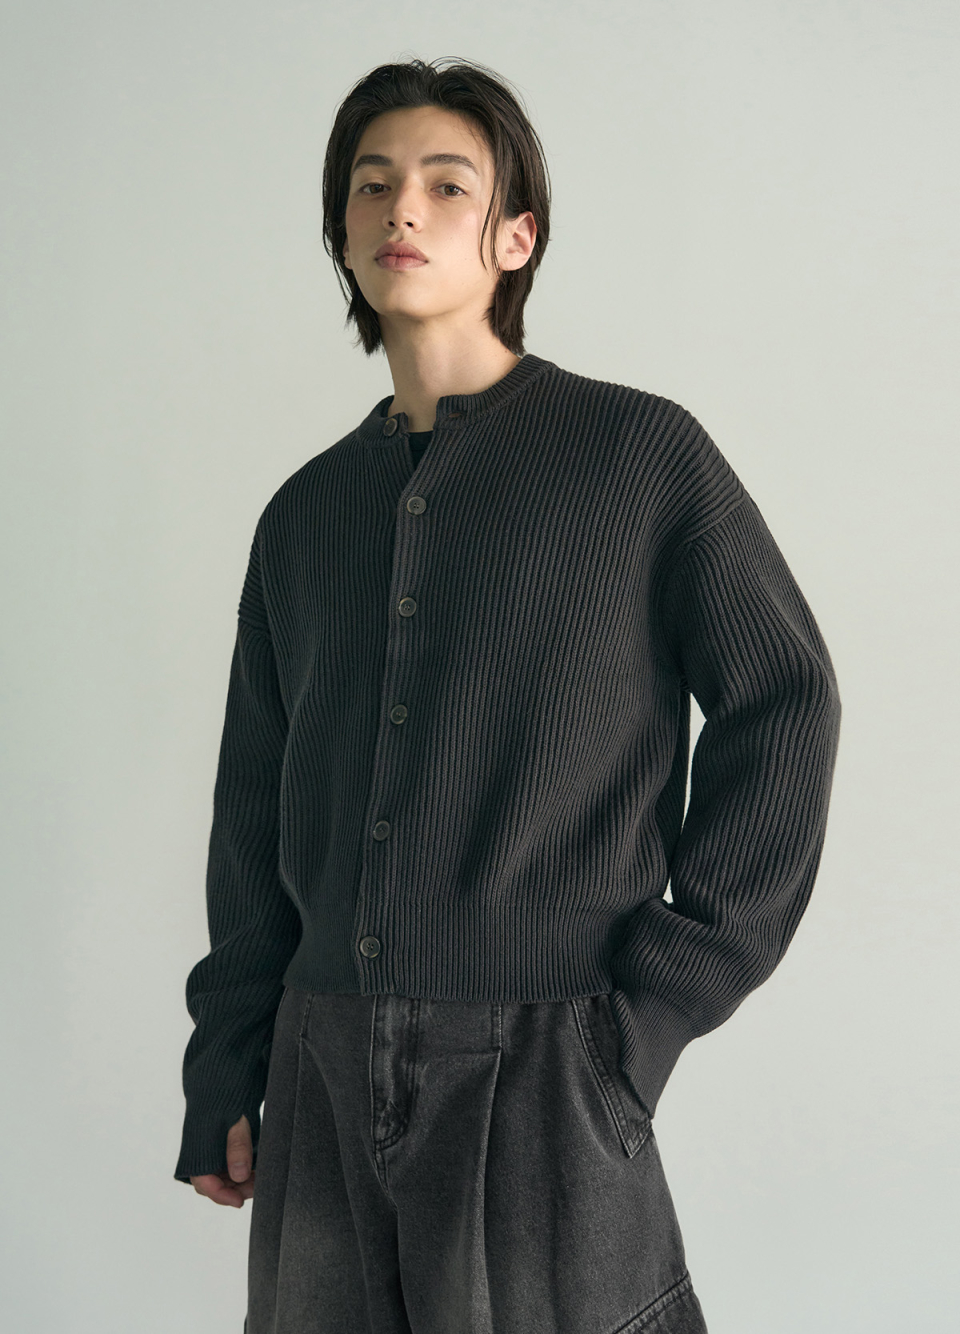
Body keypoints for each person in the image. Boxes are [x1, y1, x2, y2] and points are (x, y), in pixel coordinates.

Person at [174, 56, 841, 1334]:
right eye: (371, 186)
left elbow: (785, 702)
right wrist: (226, 1059)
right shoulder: (303, 515)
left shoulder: (639, 456)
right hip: (318, 1064)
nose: (401, 209)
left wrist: (651, 1009)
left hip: (545, 1063)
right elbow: (253, 810)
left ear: (516, 235)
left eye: (446, 184)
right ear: (342, 234)